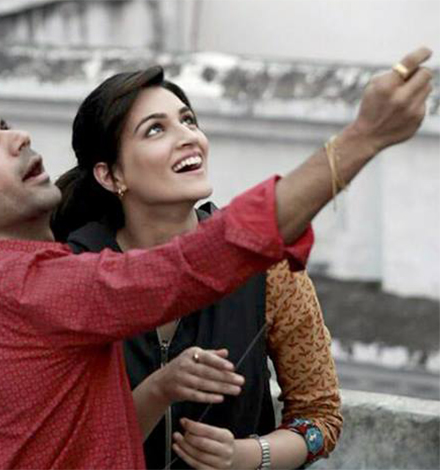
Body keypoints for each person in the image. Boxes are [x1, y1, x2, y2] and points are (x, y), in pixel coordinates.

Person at [0, 47, 433, 469]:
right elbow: (198, 264)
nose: (20, 136)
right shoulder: (60, 284)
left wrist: (245, 454)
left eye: (3, 126)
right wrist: (363, 137)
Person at [52, 66, 344, 469]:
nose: (188, 137)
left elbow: (321, 418)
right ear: (111, 175)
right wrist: (159, 389)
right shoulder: (67, 274)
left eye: (188, 120)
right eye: (156, 129)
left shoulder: (266, 266)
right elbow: (60, 447)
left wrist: (245, 456)